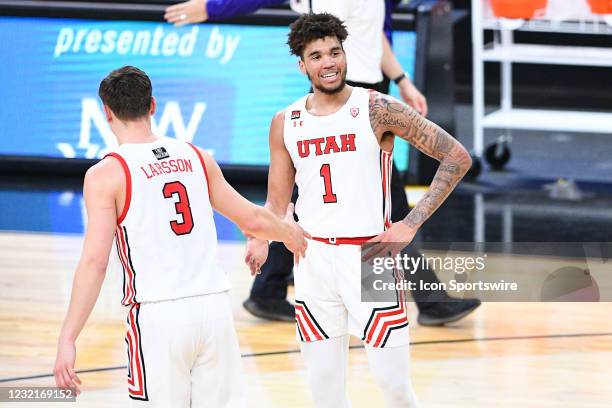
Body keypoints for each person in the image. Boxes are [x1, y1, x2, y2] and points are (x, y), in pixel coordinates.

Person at [245, 13, 472, 407]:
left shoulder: (377, 108)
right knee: (325, 393)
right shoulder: (286, 121)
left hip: (370, 260)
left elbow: (456, 156)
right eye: (316, 56)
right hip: (313, 261)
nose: (328, 62)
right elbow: (277, 203)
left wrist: (411, 222)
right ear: (302, 65)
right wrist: (263, 239)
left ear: (346, 55)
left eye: (334, 52)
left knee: (395, 388)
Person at [53, 66, 308, 407]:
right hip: (214, 309)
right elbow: (251, 218)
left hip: (159, 316)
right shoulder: (196, 156)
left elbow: (95, 262)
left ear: (107, 113)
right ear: (153, 105)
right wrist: (290, 233)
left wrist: (68, 337)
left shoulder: (105, 174)